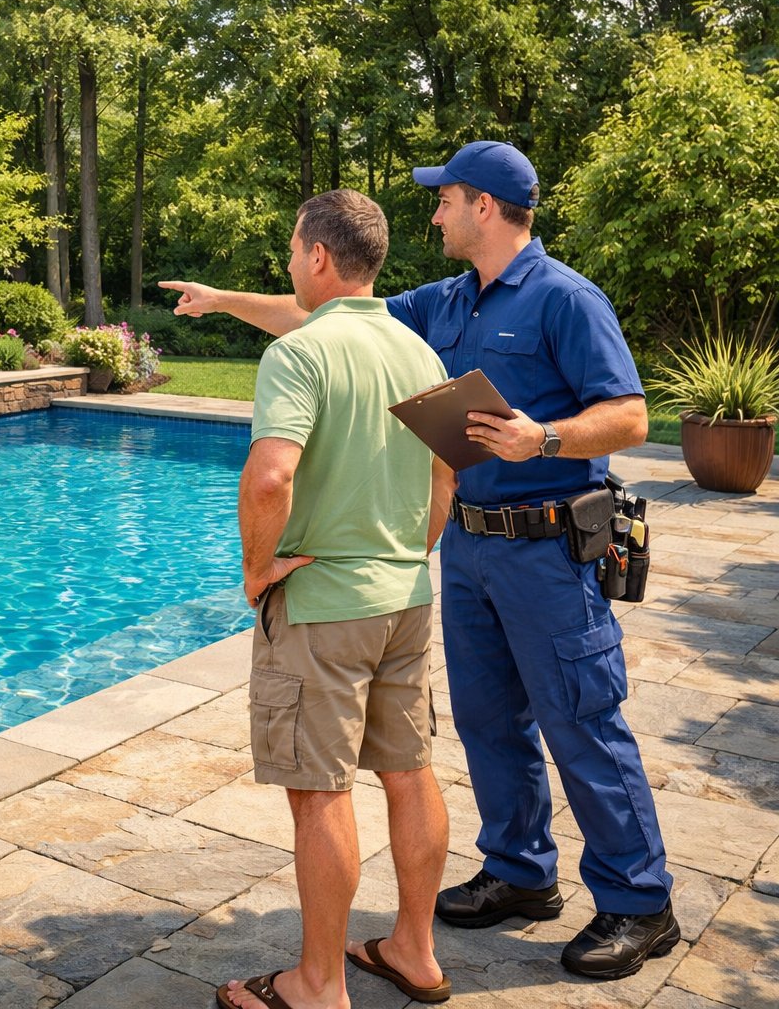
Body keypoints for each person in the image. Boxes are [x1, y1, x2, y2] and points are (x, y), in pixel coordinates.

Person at [162, 140, 678, 984]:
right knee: (484, 720)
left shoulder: (563, 298)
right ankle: (519, 871)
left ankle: (638, 899)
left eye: (445, 199)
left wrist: (541, 436)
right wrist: (223, 300)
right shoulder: (445, 302)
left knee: (581, 719)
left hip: (549, 545)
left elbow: (628, 416)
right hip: (468, 544)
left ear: (485, 206)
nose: (433, 213)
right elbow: (322, 317)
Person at [207, 188, 455, 1009]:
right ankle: (414, 952)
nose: (288, 264)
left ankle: (318, 985)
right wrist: (413, 553)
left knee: (321, 791)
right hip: (407, 598)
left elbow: (271, 472)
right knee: (411, 772)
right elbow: (448, 471)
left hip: (323, 606)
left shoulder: (301, 353)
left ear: (318, 256)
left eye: (290, 250)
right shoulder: (422, 354)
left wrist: (257, 568)